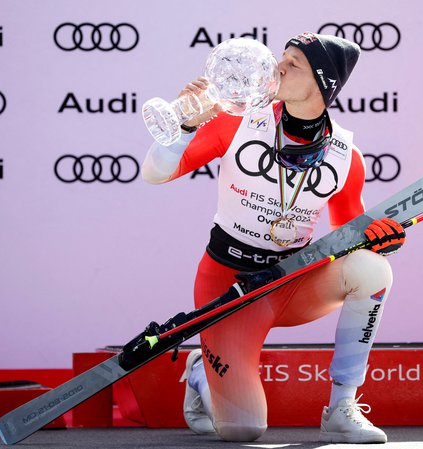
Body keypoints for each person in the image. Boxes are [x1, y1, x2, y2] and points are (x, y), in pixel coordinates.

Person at [141, 32, 405, 444]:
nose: (277, 66)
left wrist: (378, 239)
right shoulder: (238, 119)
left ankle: (341, 406)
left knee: (373, 270)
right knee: (244, 430)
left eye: (294, 63)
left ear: (323, 84)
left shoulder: (345, 155)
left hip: (289, 281)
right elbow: (155, 174)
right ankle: (201, 373)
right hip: (227, 287)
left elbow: (349, 232)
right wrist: (185, 126)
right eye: (282, 56)